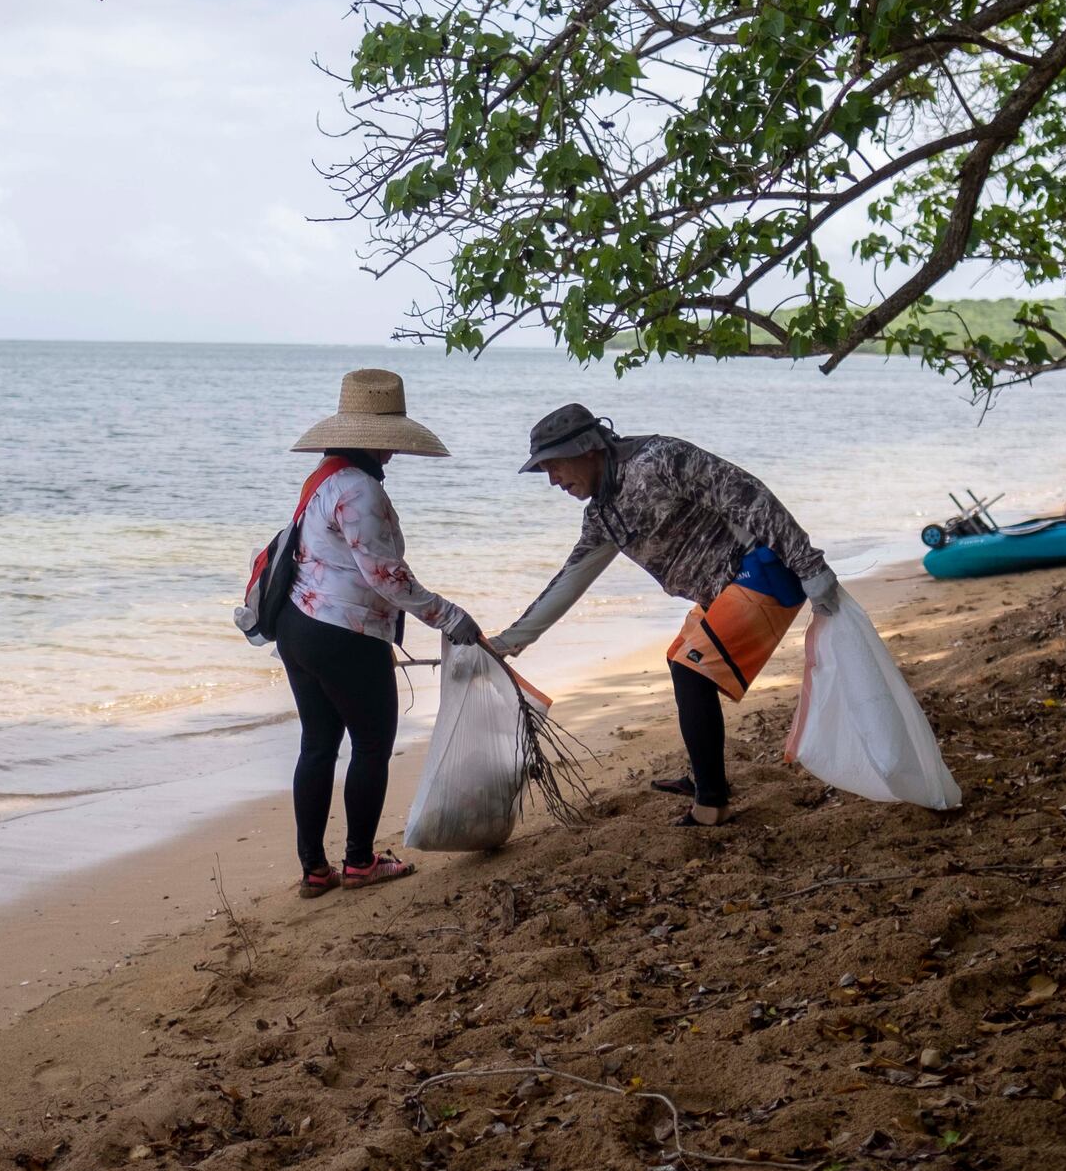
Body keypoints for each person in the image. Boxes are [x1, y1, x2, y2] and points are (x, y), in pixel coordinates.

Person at [490, 405, 840, 827]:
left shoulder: (660, 459)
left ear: (587, 449)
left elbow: (749, 496)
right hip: (723, 589)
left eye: (554, 466)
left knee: (690, 670)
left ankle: (711, 804)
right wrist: (510, 641)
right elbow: (571, 579)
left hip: (763, 568)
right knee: (680, 657)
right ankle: (703, 776)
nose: (552, 481)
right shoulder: (602, 515)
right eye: (543, 471)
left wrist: (809, 565)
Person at [278, 369, 482, 897]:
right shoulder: (359, 489)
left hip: (297, 627)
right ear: (370, 439)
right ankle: (361, 863)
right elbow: (386, 578)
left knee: (318, 745)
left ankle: (313, 870)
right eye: (388, 443)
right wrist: (449, 616)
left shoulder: (324, 476)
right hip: (344, 635)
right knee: (371, 742)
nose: (392, 454)